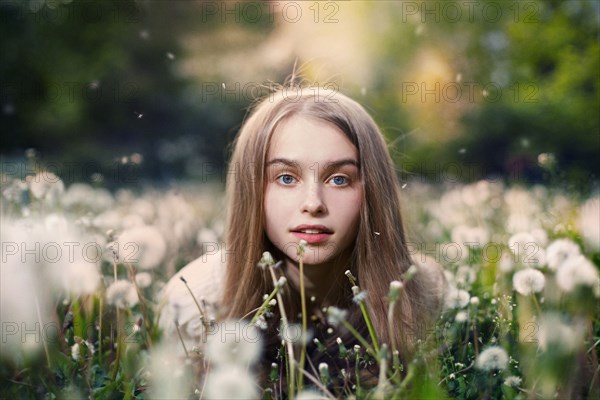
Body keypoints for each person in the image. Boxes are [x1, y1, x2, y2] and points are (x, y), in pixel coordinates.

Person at [159, 81, 447, 396]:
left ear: (373, 194)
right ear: (253, 191)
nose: (313, 202)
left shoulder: (422, 293)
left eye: (339, 179)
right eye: (286, 178)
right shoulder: (194, 305)